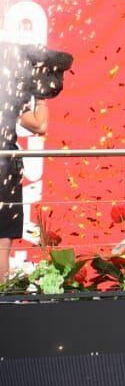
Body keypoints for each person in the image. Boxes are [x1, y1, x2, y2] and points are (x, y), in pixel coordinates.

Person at [0, 97, 48, 280]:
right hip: (4, 167)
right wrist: (42, 99)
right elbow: (39, 125)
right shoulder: (9, 87)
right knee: (2, 242)